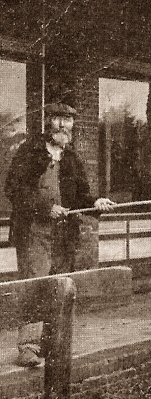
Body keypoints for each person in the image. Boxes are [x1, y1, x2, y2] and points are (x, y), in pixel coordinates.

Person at [5, 102, 116, 367]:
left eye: (68, 121)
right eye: (58, 120)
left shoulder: (72, 159)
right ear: (47, 123)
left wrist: (96, 203)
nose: (64, 126)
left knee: (59, 287)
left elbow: (81, 197)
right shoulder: (29, 152)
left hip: (64, 235)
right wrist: (45, 208)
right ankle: (28, 348)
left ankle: (52, 343)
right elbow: (14, 189)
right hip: (34, 232)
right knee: (34, 285)